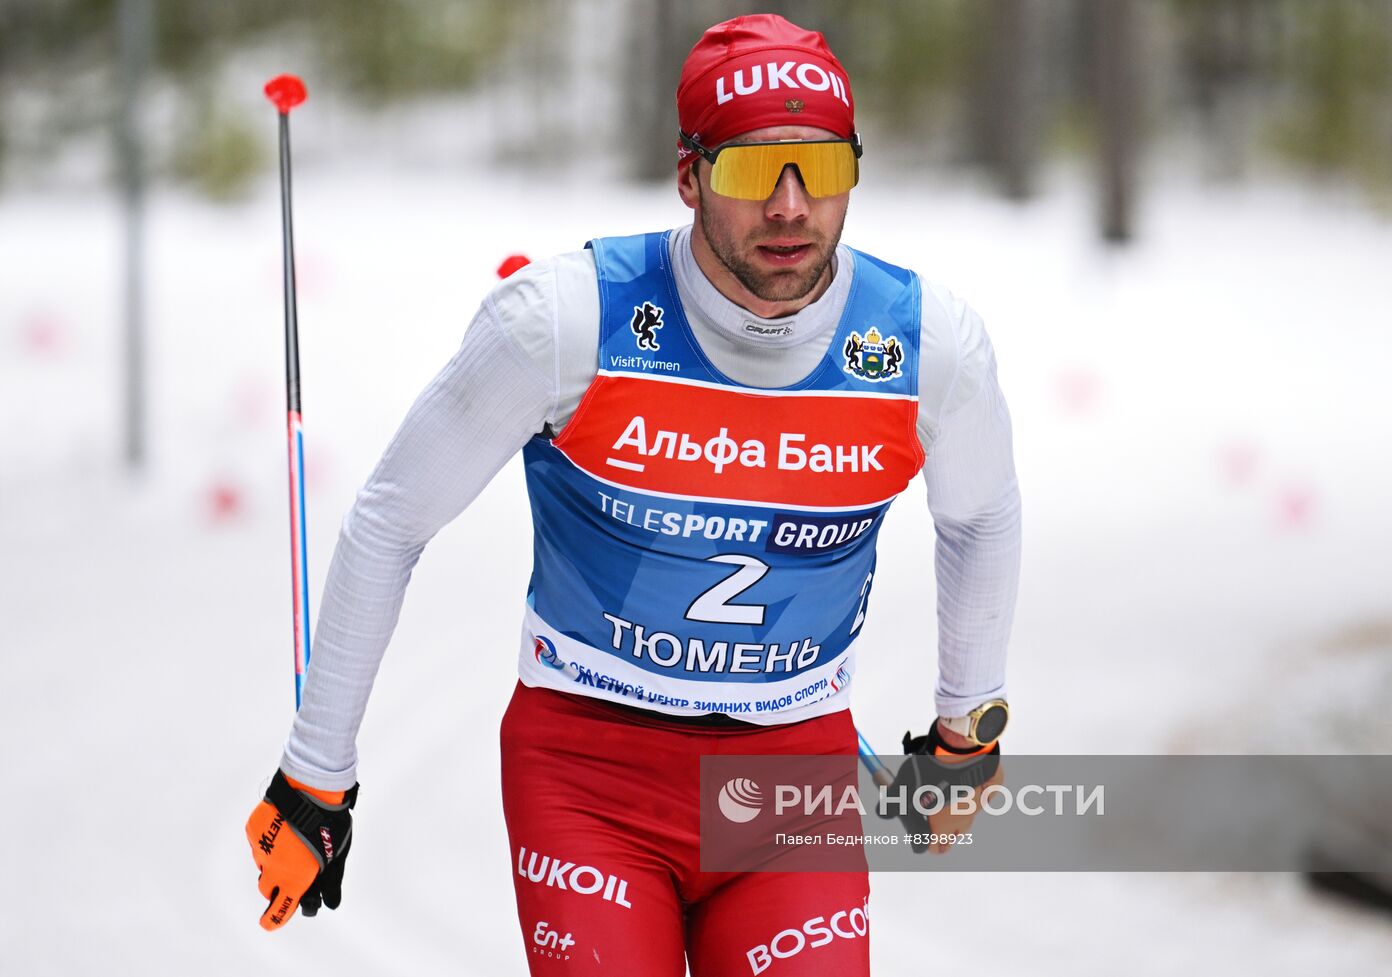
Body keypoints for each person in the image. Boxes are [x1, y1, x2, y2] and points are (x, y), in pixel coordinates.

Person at [245, 13, 1020, 976]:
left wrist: (967, 726)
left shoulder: (926, 345)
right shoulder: (567, 319)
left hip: (788, 780)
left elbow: (980, 515)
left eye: (819, 168)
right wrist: (316, 772)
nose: (790, 207)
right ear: (689, 174)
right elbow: (391, 518)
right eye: (748, 171)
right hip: (589, 774)